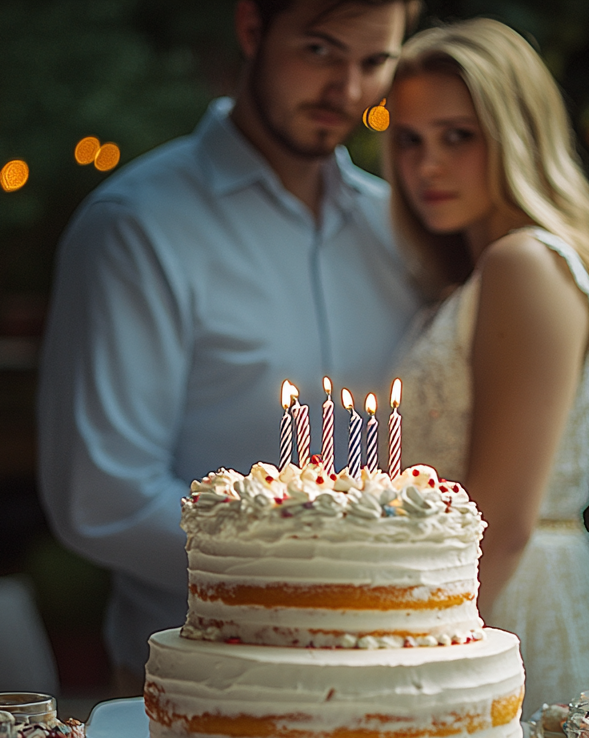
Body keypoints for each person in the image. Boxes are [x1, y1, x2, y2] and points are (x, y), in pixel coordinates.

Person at [37, 0, 422, 691]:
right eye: (320, 51)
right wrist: (308, 570)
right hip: (204, 681)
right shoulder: (139, 228)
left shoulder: (398, 230)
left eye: (374, 62)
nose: (350, 91)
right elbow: (103, 498)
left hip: (389, 678)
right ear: (252, 27)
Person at [387, 18, 589, 714]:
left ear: (516, 132)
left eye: (458, 136)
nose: (427, 167)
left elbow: (498, 521)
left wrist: (398, 665)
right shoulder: (479, 275)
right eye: (408, 141)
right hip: (491, 598)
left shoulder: (523, 264)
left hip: (503, 614)